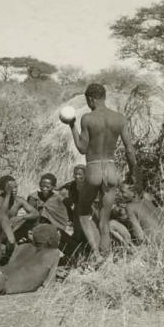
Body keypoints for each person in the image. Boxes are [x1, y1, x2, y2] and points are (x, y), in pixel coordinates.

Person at [64, 83, 139, 258]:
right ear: (104, 97)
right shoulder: (119, 118)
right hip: (112, 169)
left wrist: (72, 126)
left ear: (90, 99)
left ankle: (96, 255)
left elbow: (82, 148)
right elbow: (129, 149)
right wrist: (134, 170)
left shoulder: (87, 118)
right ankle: (107, 260)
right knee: (104, 221)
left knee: (83, 213)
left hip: (94, 168)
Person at [0, 175, 39, 242]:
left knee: (29, 220)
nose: (14, 190)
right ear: (3, 189)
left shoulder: (18, 200)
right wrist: (8, 194)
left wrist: (21, 217)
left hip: (12, 230)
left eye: (15, 187)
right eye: (10, 188)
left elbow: (35, 213)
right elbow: (2, 215)